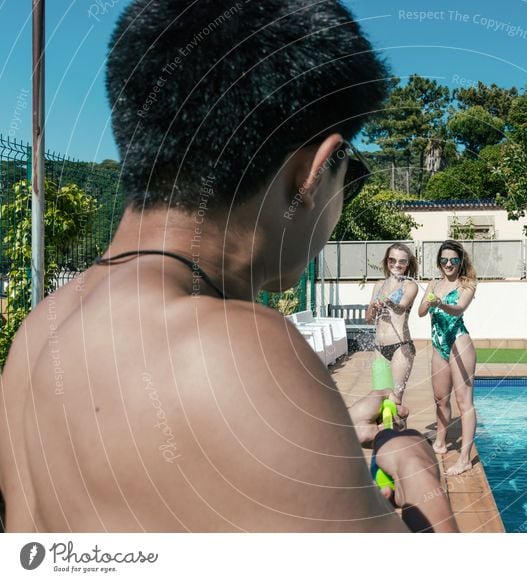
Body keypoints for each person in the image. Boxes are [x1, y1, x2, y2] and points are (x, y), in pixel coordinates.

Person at [0, 0, 456, 533]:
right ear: (312, 172)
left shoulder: (38, 333)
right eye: (349, 175)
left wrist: (307, 437)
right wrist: (416, 468)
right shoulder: (240, 355)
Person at [418, 240, 477, 476]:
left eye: (453, 260)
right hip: (438, 344)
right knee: (440, 398)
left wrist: (441, 302)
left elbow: (459, 308)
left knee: (465, 402)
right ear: (439, 262)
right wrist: (429, 298)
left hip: (458, 342)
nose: (449, 264)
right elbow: (422, 312)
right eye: (444, 260)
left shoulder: (467, 284)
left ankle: (465, 459)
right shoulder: (433, 283)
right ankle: (440, 443)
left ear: (460, 261)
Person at [366, 243, 419, 406]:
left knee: (395, 401)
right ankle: (386, 432)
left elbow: (402, 307)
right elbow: (368, 318)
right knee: (381, 400)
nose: (396, 264)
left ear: (408, 264)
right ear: (386, 261)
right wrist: (373, 309)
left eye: (402, 261)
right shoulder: (378, 285)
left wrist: (389, 302)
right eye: (392, 260)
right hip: (379, 348)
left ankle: (399, 432)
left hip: (400, 347)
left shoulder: (410, 285)